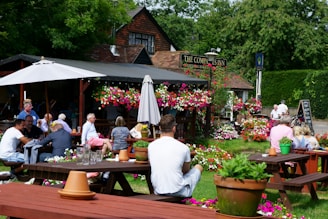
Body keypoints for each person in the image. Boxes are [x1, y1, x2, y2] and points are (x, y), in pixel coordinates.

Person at [148, 114, 203, 197]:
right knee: (199, 167)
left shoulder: (151, 146)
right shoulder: (183, 148)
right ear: (174, 128)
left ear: (160, 128)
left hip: (158, 189)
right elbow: (186, 170)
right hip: (179, 191)